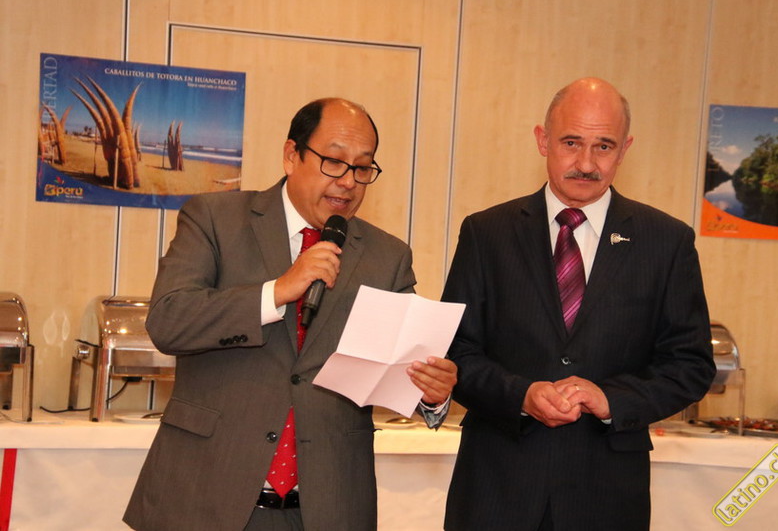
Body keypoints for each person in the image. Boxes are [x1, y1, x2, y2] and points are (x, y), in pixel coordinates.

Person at [124, 98, 457, 531]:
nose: (348, 181)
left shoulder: (387, 257)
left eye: (362, 168)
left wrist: (432, 394)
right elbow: (168, 321)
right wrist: (277, 291)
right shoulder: (215, 219)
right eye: (334, 162)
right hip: (206, 496)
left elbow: (397, 368)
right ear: (291, 155)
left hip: (326, 508)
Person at [441, 78, 715, 530]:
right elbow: (456, 353)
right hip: (496, 487)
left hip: (606, 495)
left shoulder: (666, 242)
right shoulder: (487, 233)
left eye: (603, 146)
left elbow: (690, 366)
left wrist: (611, 399)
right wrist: (521, 395)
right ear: (542, 140)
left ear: (625, 150)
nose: (586, 163)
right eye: (571, 143)